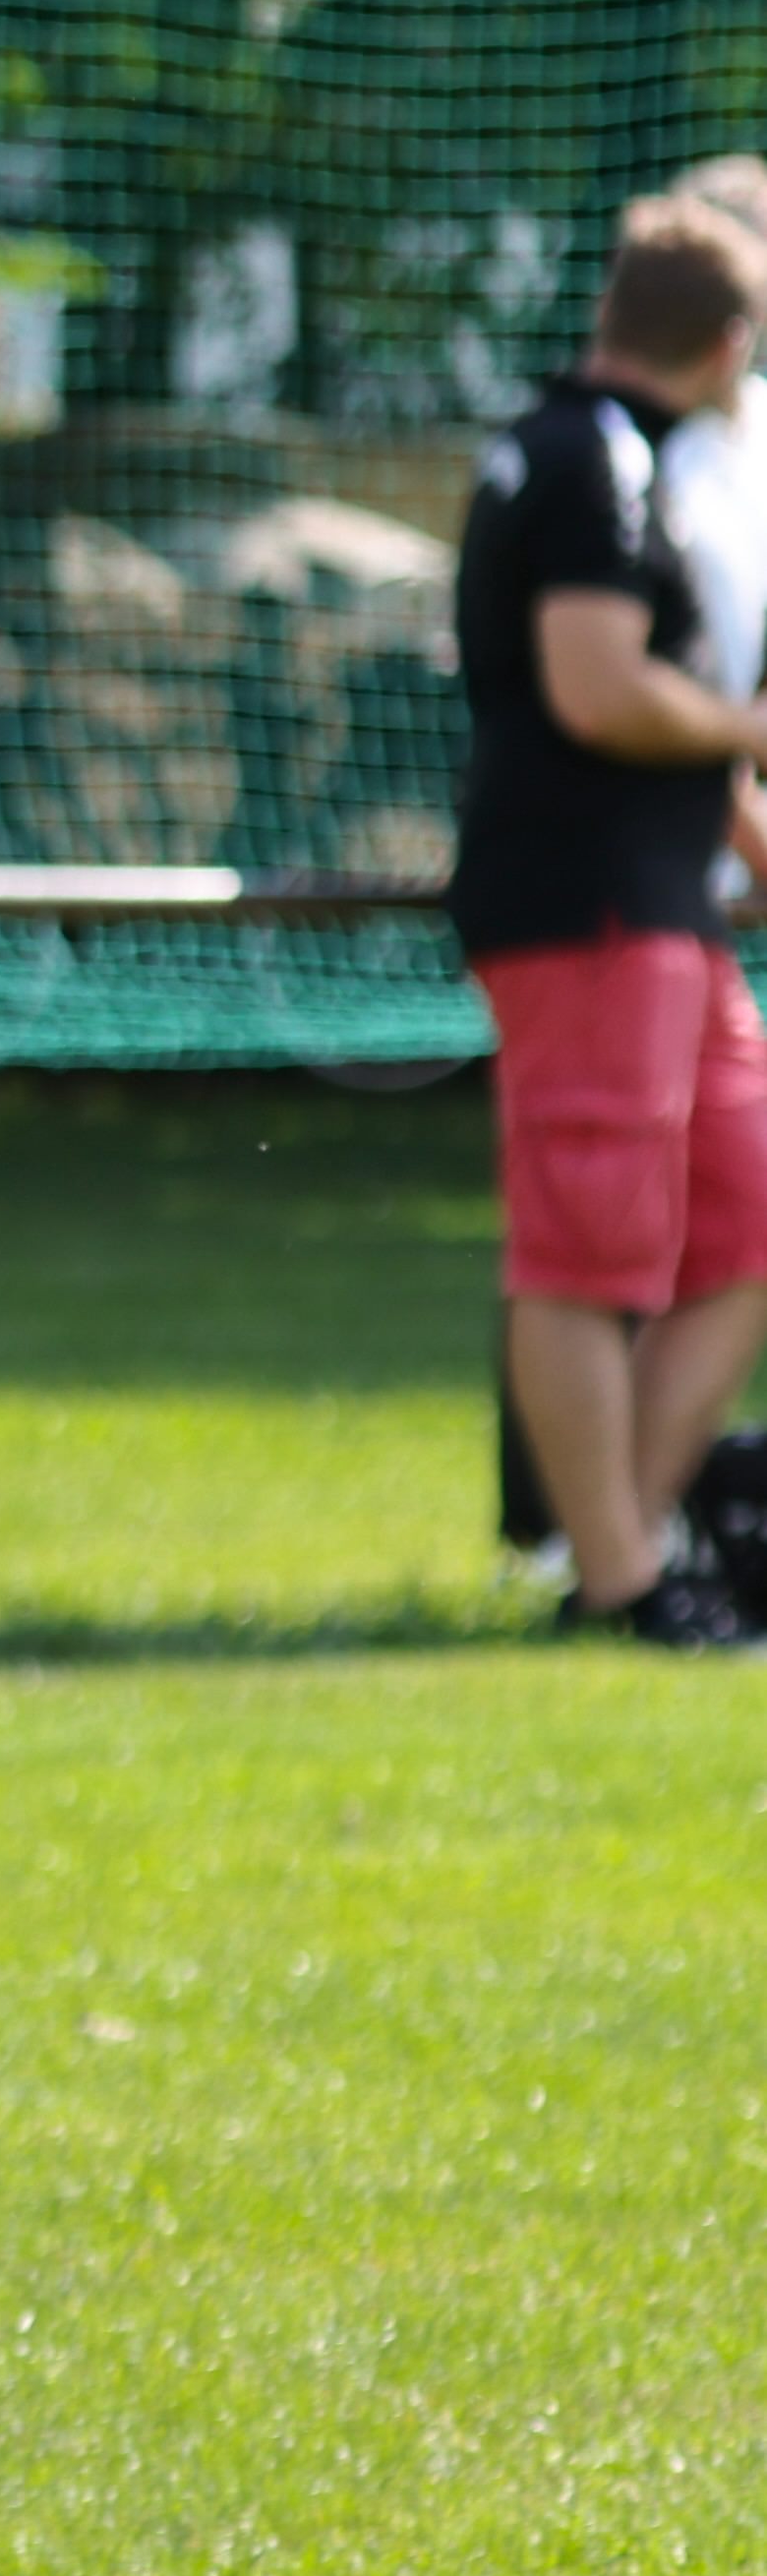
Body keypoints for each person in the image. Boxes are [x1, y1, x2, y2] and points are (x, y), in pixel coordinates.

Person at [452, 202, 767, 1647]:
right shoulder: (588, 457)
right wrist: (744, 728)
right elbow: (595, 687)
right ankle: (625, 1579)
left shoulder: (610, 451)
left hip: (663, 911)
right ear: (725, 342)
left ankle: (629, 1549)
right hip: (584, 910)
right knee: (583, 1249)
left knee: (742, 1217)